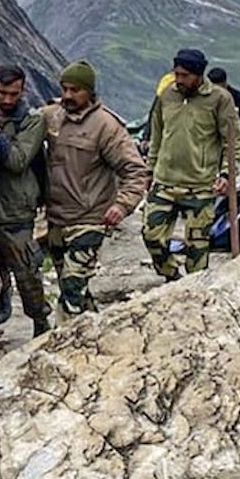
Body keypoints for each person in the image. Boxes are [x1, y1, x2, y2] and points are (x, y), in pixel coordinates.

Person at [42, 61, 150, 317]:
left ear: (90, 91)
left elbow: (135, 171)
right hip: (57, 219)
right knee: (74, 285)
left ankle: (64, 343)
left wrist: (122, 205)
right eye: (65, 89)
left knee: (71, 285)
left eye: (75, 90)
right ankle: (94, 326)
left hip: (89, 220)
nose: (68, 95)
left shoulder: (106, 127)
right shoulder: (52, 116)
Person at [143, 50, 240, 280]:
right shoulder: (166, 96)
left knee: (197, 248)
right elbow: (157, 136)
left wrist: (227, 175)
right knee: (151, 236)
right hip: (165, 182)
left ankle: (193, 290)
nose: (179, 80)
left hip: (200, 186)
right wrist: (149, 170)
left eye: (185, 75)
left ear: (199, 75)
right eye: (176, 73)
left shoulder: (219, 99)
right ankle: (171, 274)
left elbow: (233, 140)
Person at [0, 65, 50, 335]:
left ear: (23, 91)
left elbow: (16, 160)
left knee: (27, 274)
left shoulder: (32, 121)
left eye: (13, 94)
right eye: (2, 93)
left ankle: (40, 323)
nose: (7, 100)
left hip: (16, 211)